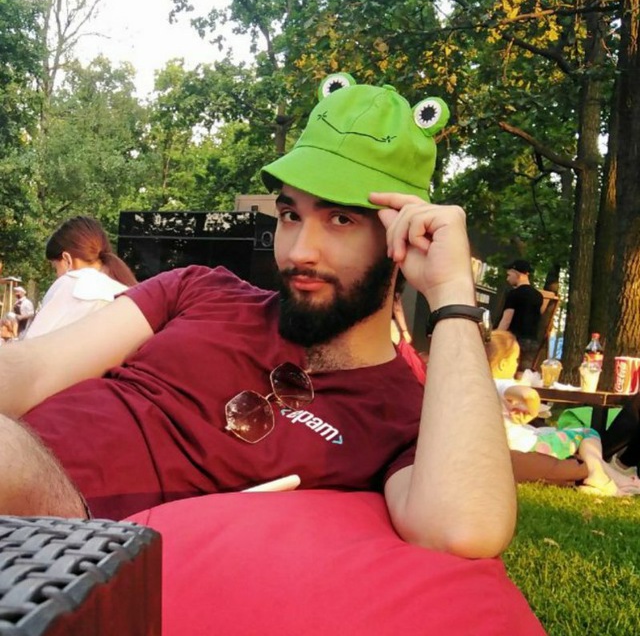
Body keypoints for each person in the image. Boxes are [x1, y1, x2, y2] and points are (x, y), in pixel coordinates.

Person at [0, 75, 516, 559]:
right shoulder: (200, 288)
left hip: (66, 542)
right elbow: (34, 370)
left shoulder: (402, 417)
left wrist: (452, 292)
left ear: (402, 238)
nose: (299, 251)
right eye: (291, 215)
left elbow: (464, 527)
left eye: (340, 219)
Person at [486, 331, 640, 496]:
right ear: (503, 364)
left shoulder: (481, 386)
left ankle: (613, 475)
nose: (517, 365)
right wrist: (532, 411)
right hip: (527, 446)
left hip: (511, 443)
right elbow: (529, 395)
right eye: (515, 360)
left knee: (560, 434)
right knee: (588, 433)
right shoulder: (501, 383)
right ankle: (597, 474)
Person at [25, 216, 137, 339]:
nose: (56, 275)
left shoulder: (72, 283)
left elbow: (32, 344)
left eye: (55, 267)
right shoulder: (127, 293)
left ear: (67, 260)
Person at [496, 259, 543, 372]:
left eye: (509, 275)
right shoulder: (538, 296)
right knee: (523, 373)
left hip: (514, 341)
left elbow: (506, 320)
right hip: (532, 342)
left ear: (516, 273)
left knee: (507, 372)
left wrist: (496, 338)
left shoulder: (514, 294)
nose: (507, 279)